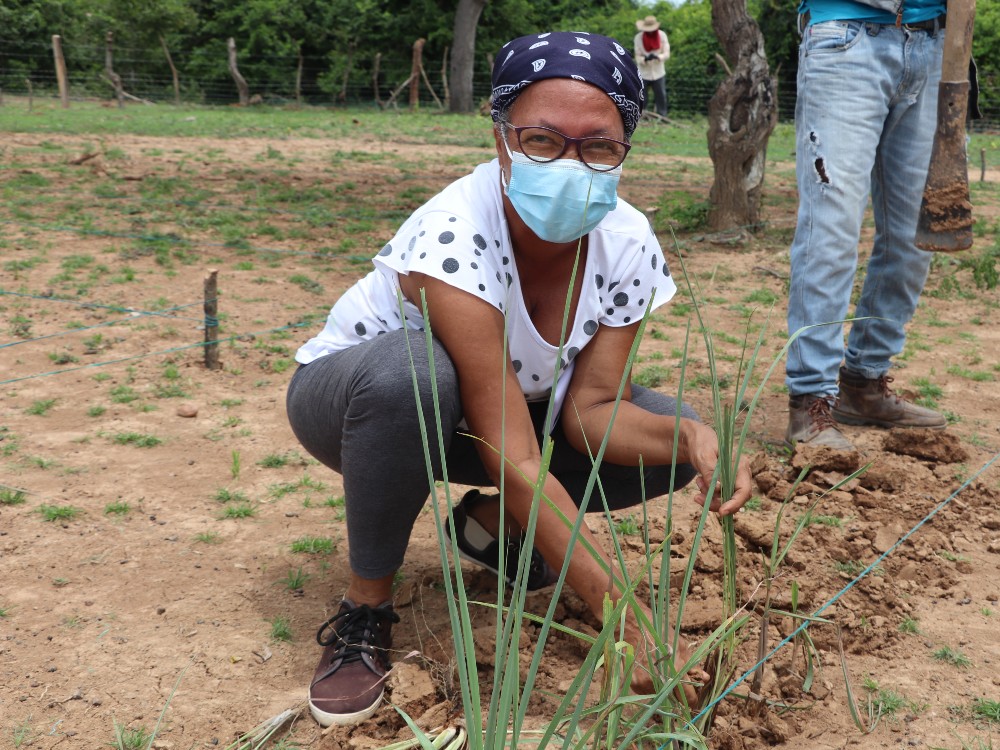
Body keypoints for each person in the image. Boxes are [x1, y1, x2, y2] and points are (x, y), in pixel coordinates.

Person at [286, 31, 752, 728]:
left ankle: (486, 524)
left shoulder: (627, 242)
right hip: (363, 407)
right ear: (502, 137)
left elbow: (592, 411)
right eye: (542, 140)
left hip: (502, 421)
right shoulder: (456, 230)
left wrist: (691, 434)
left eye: (599, 146)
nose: (571, 162)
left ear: (625, 146)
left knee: (668, 437)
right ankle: (366, 610)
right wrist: (621, 614)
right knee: (412, 373)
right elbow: (515, 450)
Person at [784, 0, 948, 451]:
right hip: (848, 37)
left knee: (915, 235)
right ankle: (810, 400)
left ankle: (864, 382)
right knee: (832, 229)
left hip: (935, 45)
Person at [633, 15, 670, 118]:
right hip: (644, 72)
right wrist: (645, 59)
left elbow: (666, 53)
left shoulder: (662, 36)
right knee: (642, 96)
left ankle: (662, 116)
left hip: (658, 72)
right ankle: (640, 116)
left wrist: (659, 57)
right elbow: (637, 55)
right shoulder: (638, 38)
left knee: (661, 95)